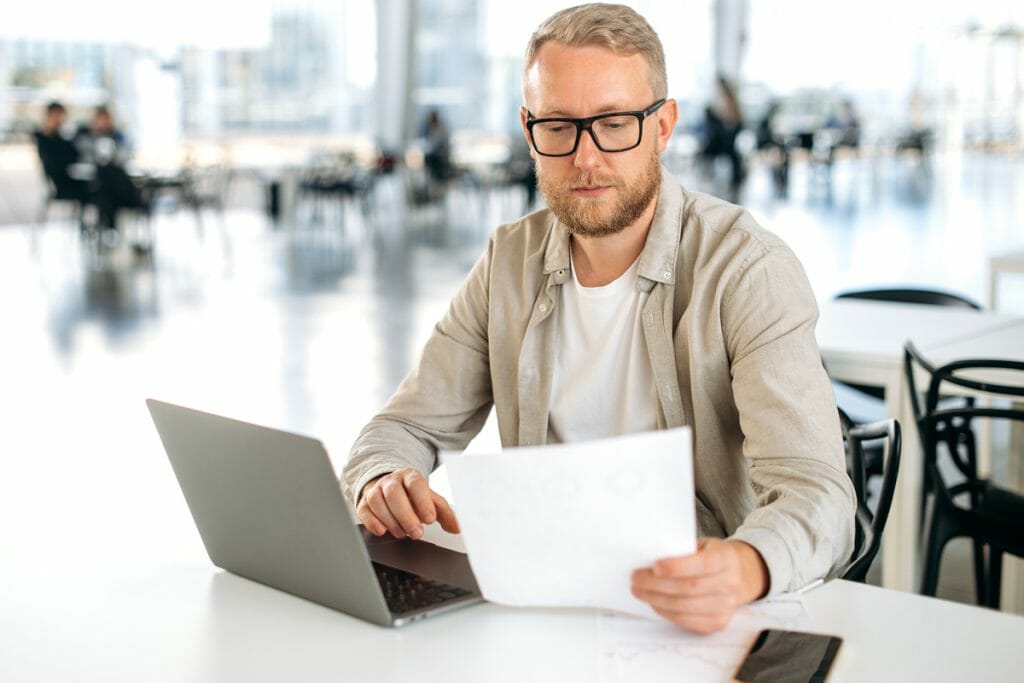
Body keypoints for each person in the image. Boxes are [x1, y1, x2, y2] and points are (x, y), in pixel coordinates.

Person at [343, 3, 854, 635]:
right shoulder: (509, 262)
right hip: (540, 603)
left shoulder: (748, 272)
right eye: (558, 126)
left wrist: (747, 565)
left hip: (688, 613)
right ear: (530, 128)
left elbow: (818, 494)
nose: (585, 158)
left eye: (614, 124)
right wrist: (382, 477)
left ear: (663, 125)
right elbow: (401, 427)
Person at [34, 101, 91, 206]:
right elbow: (55, 163)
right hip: (62, 182)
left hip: (75, 177)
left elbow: (76, 155)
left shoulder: (64, 137)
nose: (59, 119)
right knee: (98, 190)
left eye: (61, 116)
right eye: (55, 116)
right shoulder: (43, 139)